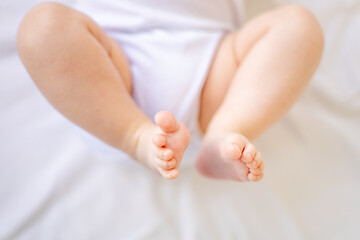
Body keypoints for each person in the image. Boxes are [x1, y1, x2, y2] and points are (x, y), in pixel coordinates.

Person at [16, 0, 324, 181]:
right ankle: (135, 138)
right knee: (42, 27)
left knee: (300, 27)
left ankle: (227, 132)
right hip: (111, 68)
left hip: (216, 67)